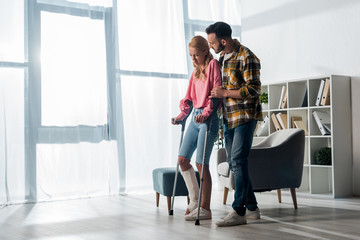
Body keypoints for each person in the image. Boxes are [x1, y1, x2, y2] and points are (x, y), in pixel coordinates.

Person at [206, 22, 262, 227]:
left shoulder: (247, 57)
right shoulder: (222, 58)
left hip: (245, 117)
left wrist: (225, 93)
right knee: (234, 163)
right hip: (228, 118)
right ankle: (252, 208)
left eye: (212, 43)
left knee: (238, 160)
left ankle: (238, 211)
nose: (211, 47)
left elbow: (254, 90)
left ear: (223, 40)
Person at [172, 35, 222, 221]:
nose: (192, 59)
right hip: (195, 118)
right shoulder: (196, 72)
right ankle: (194, 201)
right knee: (182, 159)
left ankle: (205, 208)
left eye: (195, 55)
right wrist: (181, 116)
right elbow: (189, 98)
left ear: (204, 51)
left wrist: (206, 113)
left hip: (208, 120)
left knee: (201, 163)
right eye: (190, 56)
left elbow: (216, 95)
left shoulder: (213, 65)